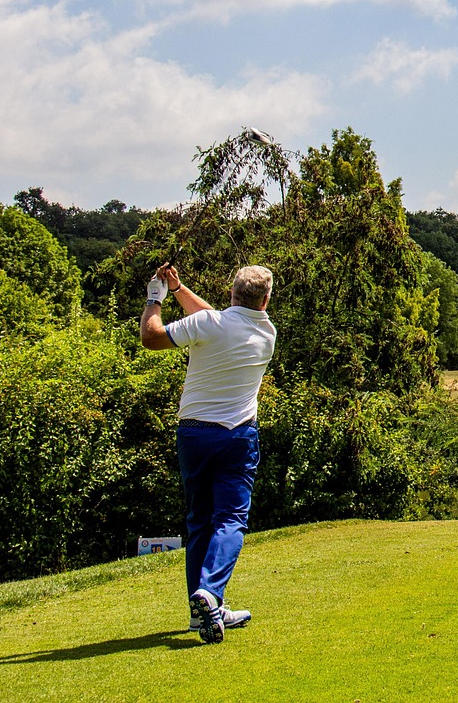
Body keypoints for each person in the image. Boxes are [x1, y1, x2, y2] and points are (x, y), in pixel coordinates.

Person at [140, 263, 277, 644]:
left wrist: (156, 297)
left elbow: (152, 337)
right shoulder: (267, 332)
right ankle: (211, 595)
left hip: (195, 435)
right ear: (265, 300)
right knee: (230, 520)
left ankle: (200, 612)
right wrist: (179, 289)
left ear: (232, 292)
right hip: (237, 437)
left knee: (199, 521)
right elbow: (211, 319)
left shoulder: (210, 325)